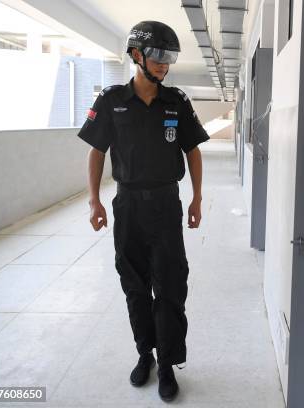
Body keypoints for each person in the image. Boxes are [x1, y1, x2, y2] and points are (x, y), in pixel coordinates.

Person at [76, 20, 210, 402]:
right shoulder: (111, 99)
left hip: (167, 203)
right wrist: (94, 200)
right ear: (137, 55)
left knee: (170, 285)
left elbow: (193, 151)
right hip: (128, 205)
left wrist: (197, 197)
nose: (165, 65)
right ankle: (144, 355)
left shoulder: (177, 102)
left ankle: (167, 364)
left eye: (170, 58)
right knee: (135, 285)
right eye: (159, 57)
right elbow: (96, 151)